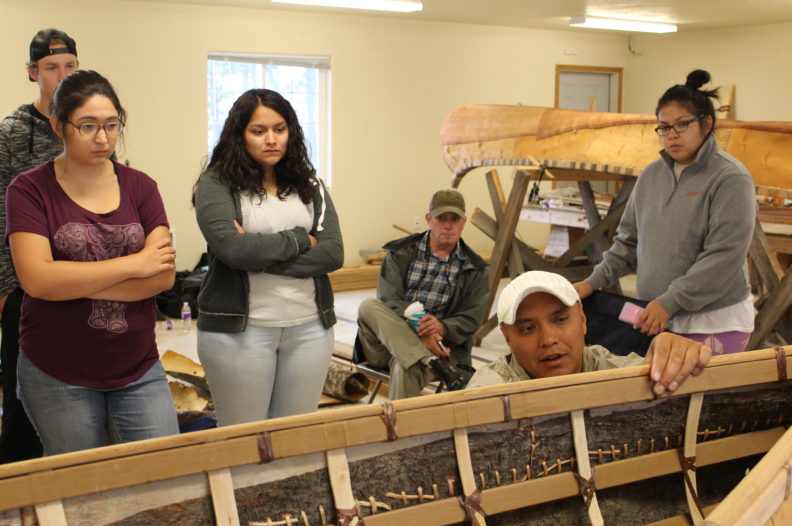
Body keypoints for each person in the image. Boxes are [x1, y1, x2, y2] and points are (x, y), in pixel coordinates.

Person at [6, 70, 179, 456]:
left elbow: (163, 275)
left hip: (137, 366)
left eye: (112, 125)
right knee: (81, 491)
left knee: (161, 476)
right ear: (58, 125)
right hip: (56, 371)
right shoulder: (28, 190)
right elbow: (37, 281)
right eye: (87, 126)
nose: (102, 138)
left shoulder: (141, 187)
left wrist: (71, 280)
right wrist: (134, 265)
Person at [574, 70, 755, 356]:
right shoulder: (651, 175)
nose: (671, 136)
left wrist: (670, 301)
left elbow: (723, 257)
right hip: (656, 314)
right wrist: (592, 282)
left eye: (682, 125)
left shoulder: (730, 178)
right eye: (664, 127)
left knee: (703, 400)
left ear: (706, 124)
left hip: (713, 320)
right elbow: (628, 242)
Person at [193, 88, 343, 426]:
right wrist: (301, 239)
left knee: (293, 439)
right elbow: (232, 249)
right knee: (244, 440)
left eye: (279, 129)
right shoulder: (217, 183)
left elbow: (333, 253)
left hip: (310, 331)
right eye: (258, 131)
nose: (270, 139)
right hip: (239, 333)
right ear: (239, 135)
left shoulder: (308, 182)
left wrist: (257, 253)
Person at [0, 28, 79, 462]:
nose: (62, 76)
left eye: (70, 66)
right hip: (24, 289)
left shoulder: (87, 127)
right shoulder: (12, 132)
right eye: (51, 67)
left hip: (83, 284)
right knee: (22, 404)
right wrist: (5, 291)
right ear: (33, 73)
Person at [468, 271, 712, 394]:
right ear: (508, 338)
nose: (549, 339)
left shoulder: (616, 372)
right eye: (528, 328)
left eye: (561, 320)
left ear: (583, 320)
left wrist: (679, 360)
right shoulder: (488, 394)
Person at [354, 189, 489, 400]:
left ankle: (401, 432)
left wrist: (442, 327)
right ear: (428, 219)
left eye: (454, 219)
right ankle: (428, 359)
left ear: (463, 222)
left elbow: (472, 318)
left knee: (406, 366)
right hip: (386, 346)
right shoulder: (400, 254)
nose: (448, 225)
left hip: (444, 351)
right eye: (441, 218)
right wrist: (422, 330)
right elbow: (389, 300)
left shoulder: (475, 268)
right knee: (368, 306)